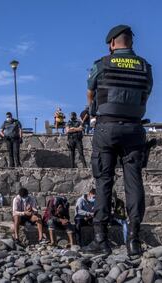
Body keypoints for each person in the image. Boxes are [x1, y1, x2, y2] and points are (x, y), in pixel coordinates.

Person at [83, 25, 153, 257]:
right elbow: (146, 94)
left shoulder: (102, 64)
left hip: (106, 127)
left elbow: (90, 91)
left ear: (112, 43)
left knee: (104, 180)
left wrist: (93, 113)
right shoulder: (145, 66)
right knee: (134, 183)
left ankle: (100, 239)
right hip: (134, 128)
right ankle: (133, 240)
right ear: (130, 42)